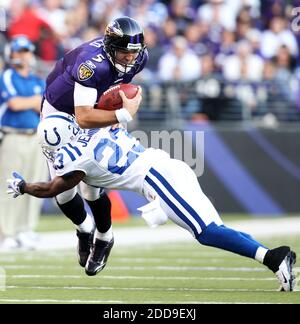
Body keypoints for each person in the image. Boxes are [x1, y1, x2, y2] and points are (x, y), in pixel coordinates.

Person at [6, 113, 297, 291]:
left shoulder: (74, 158)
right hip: (168, 167)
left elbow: (55, 187)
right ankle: (273, 258)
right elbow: (90, 185)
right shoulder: (100, 127)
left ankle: (274, 257)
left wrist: (23, 186)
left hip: (158, 180)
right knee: (213, 227)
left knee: (207, 232)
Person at [39, 16, 148, 268]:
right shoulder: (91, 64)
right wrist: (122, 114)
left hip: (92, 105)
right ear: (110, 47)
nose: (130, 58)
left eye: (133, 52)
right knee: (63, 189)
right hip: (60, 112)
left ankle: (105, 236)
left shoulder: (139, 58)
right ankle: (84, 228)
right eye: (123, 52)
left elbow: (114, 90)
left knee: (91, 186)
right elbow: (84, 116)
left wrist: (114, 114)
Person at [0, 35, 47, 250]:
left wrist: (34, 103)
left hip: (35, 137)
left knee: (35, 184)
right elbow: (15, 103)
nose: (24, 55)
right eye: (20, 51)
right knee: (9, 185)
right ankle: (6, 232)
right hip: (14, 135)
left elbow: (45, 108)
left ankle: (26, 229)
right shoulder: (8, 76)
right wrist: (34, 102)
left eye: (27, 51)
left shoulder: (37, 80)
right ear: (12, 54)